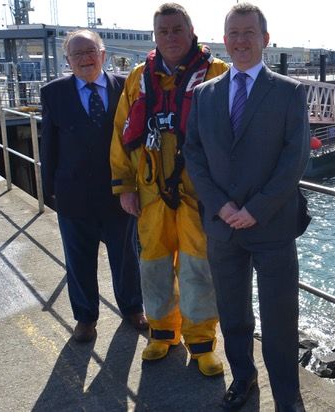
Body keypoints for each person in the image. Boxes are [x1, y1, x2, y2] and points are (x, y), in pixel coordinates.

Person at [185, 3, 311, 410]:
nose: (241, 41)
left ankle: (287, 397)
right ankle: (244, 379)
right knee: (233, 313)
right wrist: (221, 206)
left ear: (265, 40)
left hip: (272, 226)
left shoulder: (289, 93)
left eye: (249, 33)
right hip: (222, 227)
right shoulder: (204, 96)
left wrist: (256, 208)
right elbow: (194, 156)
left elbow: (294, 161)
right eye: (233, 34)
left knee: (279, 320)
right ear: (225, 41)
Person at [110, 3, 227, 376]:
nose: (171, 37)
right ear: (154, 36)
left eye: (177, 30)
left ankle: (202, 343)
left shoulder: (217, 74)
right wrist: (124, 186)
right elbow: (119, 135)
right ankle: (162, 333)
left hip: (197, 193)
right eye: (163, 31)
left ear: (192, 32)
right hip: (149, 193)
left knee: (198, 268)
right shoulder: (138, 78)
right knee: (154, 266)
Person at [40, 29, 147, 343]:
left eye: (91, 51)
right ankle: (85, 318)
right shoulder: (53, 93)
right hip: (73, 192)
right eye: (78, 54)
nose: (85, 59)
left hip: (119, 191)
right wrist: (50, 190)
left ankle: (132, 307)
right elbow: (49, 145)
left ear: (103, 55)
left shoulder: (125, 87)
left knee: (127, 256)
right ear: (68, 60)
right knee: (79, 259)